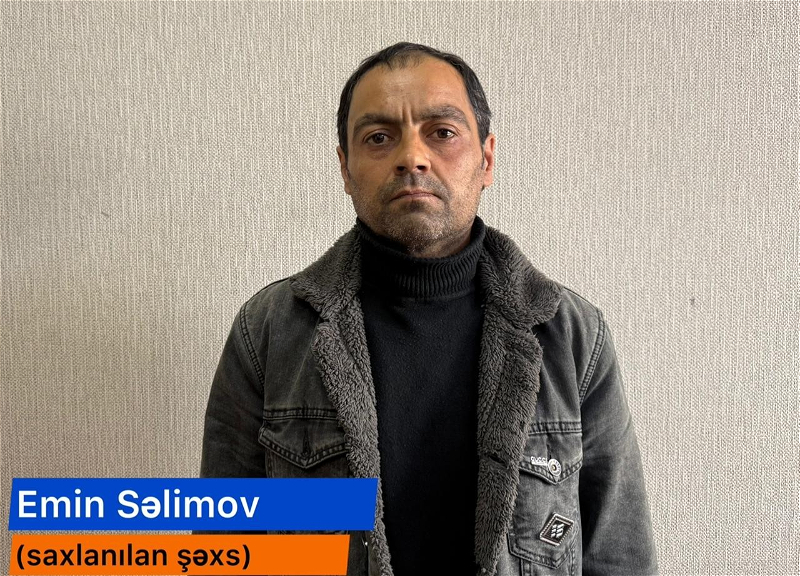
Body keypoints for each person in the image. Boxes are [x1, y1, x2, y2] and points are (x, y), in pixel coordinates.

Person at [200, 42, 658, 576]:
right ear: (345, 168)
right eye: (379, 137)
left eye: (442, 132)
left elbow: (618, 555)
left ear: (486, 158)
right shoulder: (268, 332)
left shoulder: (573, 335)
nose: (412, 157)